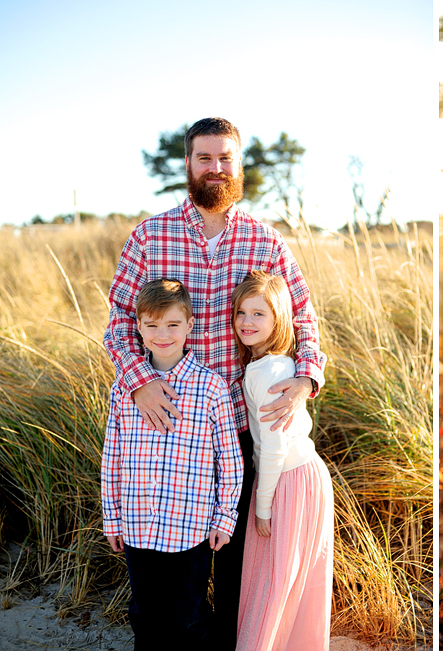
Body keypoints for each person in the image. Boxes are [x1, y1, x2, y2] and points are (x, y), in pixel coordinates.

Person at [103, 117, 327, 647]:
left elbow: (305, 320)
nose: (216, 168)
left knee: (234, 566)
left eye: (225, 157)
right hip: (163, 429)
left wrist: (305, 378)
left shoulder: (264, 241)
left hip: (239, 431)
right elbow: (117, 322)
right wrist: (139, 382)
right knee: (165, 574)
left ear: (238, 163)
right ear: (188, 163)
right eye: (205, 158)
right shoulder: (149, 236)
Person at [101, 278, 243, 649]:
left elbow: (229, 460)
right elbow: (111, 458)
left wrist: (225, 517)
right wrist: (112, 518)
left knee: (190, 616)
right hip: (138, 525)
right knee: (145, 614)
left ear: (190, 326)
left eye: (172, 324)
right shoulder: (124, 389)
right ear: (138, 328)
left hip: (191, 527)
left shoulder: (212, 388)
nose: (162, 334)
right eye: (152, 325)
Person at [231, 271, 334, 651]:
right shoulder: (273, 364)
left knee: (274, 583)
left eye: (259, 314)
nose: (247, 322)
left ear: (279, 320)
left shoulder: (269, 372)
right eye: (241, 313)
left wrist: (262, 506)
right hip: (306, 475)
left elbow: (272, 448)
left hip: (287, 479)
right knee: (298, 581)